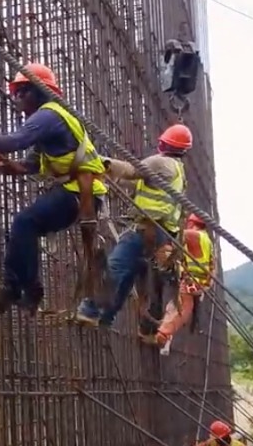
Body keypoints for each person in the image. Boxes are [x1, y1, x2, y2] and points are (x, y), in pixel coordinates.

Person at [0, 63, 107, 314]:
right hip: (75, 191)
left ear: (40, 92)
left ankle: (27, 291)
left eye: (23, 92)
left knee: (25, 222)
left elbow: (15, 141)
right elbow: (28, 166)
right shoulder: (52, 121)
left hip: (82, 193)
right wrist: (1, 168)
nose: (17, 98)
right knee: (19, 231)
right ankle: (12, 290)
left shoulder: (48, 115)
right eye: (15, 93)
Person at [75, 123, 192, 334]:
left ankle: (90, 310)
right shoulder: (177, 171)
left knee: (114, 268)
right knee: (127, 277)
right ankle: (107, 318)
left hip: (146, 230)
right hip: (160, 236)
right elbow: (132, 181)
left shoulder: (160, 162)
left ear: (162, 142)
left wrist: (95, 161)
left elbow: (130, 170)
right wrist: (106, 173)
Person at [155, 212, 215, 354]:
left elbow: (176, 235)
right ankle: (165, 335)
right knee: (175, 307)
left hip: (191, 283)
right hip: (198, 283)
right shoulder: (206, 240)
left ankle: (163, 334)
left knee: (181, 308)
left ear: (192, 223)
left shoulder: (195, 235)